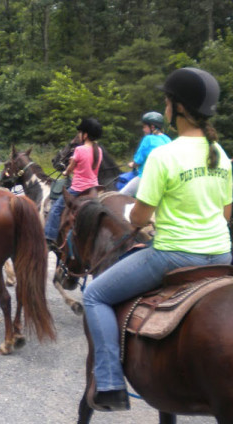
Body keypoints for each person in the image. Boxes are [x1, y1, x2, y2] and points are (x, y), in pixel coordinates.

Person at [83, 67, 231, 412]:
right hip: (224, 254)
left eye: (167, 100)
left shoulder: (164, 156)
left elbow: (138, 218)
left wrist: (150, 219)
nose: (165, 106)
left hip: (175, 256)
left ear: (177, 108)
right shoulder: (220, 154)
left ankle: (108, 383)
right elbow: (226, 214)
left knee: (95, 295)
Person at [44, 118, 103, 249]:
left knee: (55, 209)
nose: (80, 135)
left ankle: (49, 238)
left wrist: (66, 172)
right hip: (93, 188)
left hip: (78, 189)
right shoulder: (98, 150)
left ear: (85, 135)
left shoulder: (80, 150)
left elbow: (69, 169)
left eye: (81, 132)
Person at [119, 112, 171, 196]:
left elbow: (138, 161)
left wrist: (132, 164)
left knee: (120, 195)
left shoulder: (148, 139)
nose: (143, 130)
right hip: (165, 179)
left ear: (152, 127)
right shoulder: (167, 139)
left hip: (146, 178)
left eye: (144, 127)